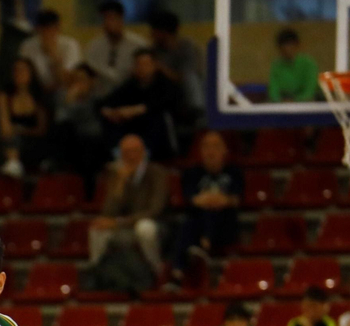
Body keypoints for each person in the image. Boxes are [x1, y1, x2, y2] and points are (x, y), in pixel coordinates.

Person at [88, 134, 168, 279]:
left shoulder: (157, 173)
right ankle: (97, 273)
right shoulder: (116, 174)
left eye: (134, 151)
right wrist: (120, 183)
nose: (130, 156)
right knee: (98, 228)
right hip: (125, 227)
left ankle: (157, 271)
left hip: (153, 225)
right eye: (126, 152)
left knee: (144, 228)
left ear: (143, 152)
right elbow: (107, 213)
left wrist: (119, 222)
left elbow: (156, 210)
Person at [168, 129, 241, 274]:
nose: (211, 151)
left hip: (225, 226)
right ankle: (197, 250)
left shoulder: (234, 172)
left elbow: (235, 199)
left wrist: (213, 199)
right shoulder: (191, 173)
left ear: (224, 150)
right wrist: (214, 199)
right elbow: (192, 200)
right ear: (201, 151)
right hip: (196, 224)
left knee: (212, 211)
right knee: (189, 222)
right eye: (206, 147)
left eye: (215, 146)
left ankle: (180, 269)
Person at [98, 48, 183, 161]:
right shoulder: (131, 84)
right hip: (133, 128)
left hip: (159, 135)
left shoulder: (165, 84)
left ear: (155, 65)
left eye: (146, 64)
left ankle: (145, 156)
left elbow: (165, 103)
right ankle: (117, 154)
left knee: (157, 118)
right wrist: (111, 112)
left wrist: (138, 109)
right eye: (138, 64)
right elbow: (106, 101)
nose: (142, 68)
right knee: (110, 122)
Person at [0, 56, 50, 176]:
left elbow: (41, 130)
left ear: (31, 73)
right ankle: (13, 163)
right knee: (9, 139)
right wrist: (14, 131)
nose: (18, 74)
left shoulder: (39, 96)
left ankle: (14, 163)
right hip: (9, 142)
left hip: (32, 142)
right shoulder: (5, 96)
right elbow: (5, 127)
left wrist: (22, 130)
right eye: (15, 70)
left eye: (22, 70)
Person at [148, 9, 203, 120]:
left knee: (191, 79)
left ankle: (197, 112)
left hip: (186, 93)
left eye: (154, 31)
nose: (151, 35)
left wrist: (161, 68)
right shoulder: (154, 49)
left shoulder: (186, 47)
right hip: (165, 94)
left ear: (163, 32)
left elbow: (185, 77)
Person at [83, 0, 141, 98]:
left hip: (131, 95)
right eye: (104, 19)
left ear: (121, 19)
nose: (108, 23)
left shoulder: (137, 45)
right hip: (101, 96)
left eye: (111, 18)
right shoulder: (94, 46)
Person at [17, 7, 81, 92]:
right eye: (44, 29)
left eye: (52, 29)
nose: (48, 33)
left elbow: (68, 80)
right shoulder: (28, 46)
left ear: (58, 28)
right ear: (38, 29)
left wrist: (54, 56)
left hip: (62, 90)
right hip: (36, 91)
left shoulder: (70, 45)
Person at [269, 29, 320, 102]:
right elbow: (273, 92)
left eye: (290, 45)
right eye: (284, 46)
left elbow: (310, 90)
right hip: (282, 106)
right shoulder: (276, 66)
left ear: (297, 45)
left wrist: (295, 101)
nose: (287, 49)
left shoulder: (308, 64)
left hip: (307, 105)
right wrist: (280, 101)